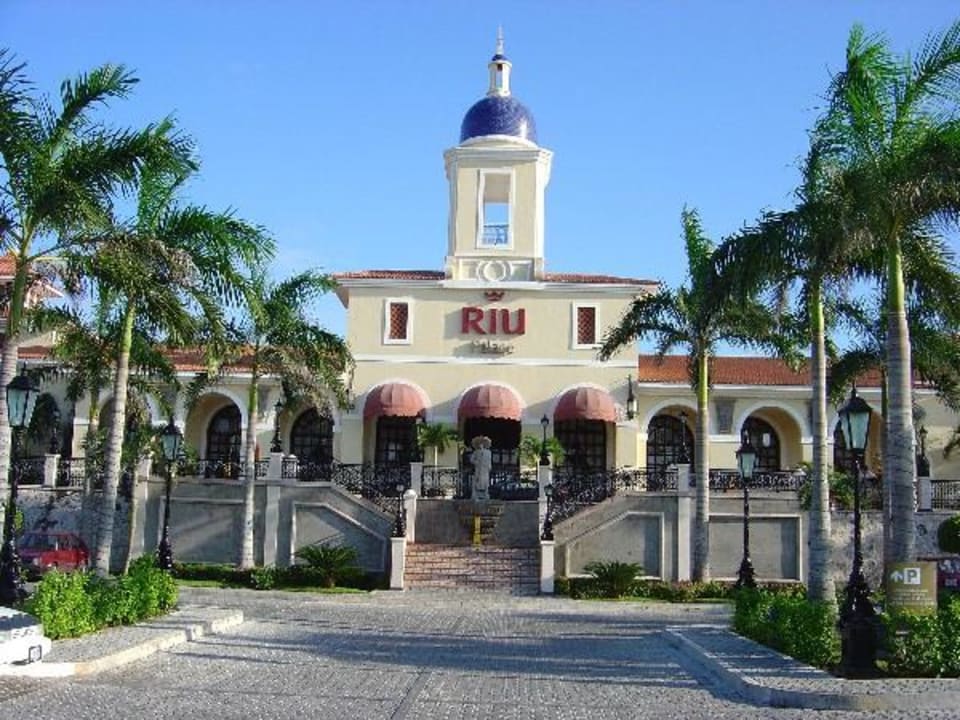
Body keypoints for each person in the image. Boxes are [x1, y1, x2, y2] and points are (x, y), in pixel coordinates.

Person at [471, 436, 492, 500]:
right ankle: (475, 493)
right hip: (478, 468)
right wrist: (476, 462)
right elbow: (471, 460)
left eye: (482, 444)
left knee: (485, 480)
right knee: (477, 480)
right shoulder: (476, 452)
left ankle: (486, 492)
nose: (481, 445)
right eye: (480, 444)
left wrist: (489, 466)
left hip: (485, 469)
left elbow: (489, 460)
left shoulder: (488, 452)